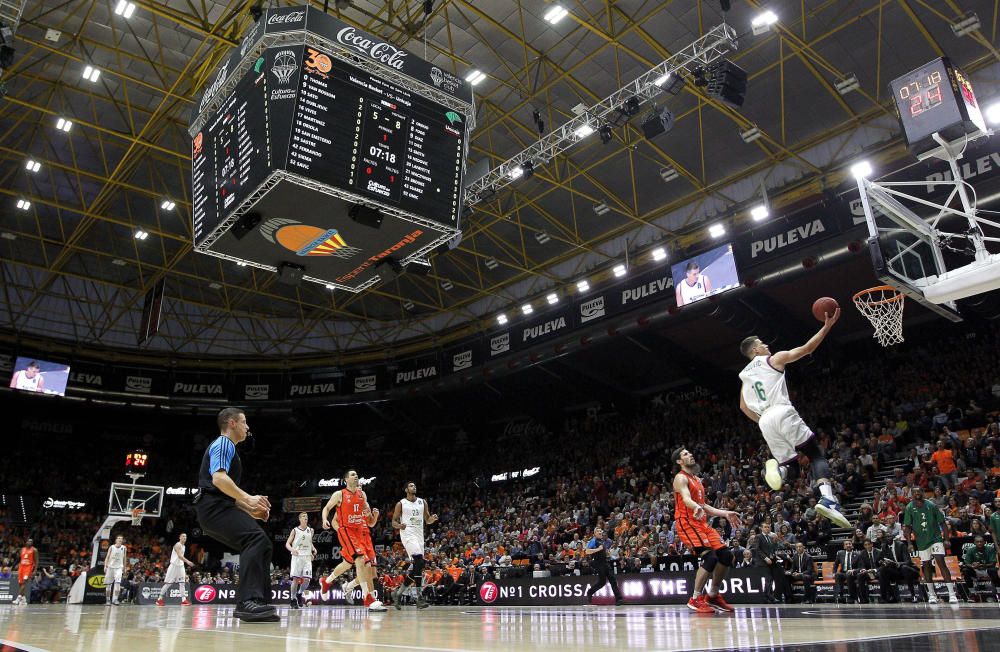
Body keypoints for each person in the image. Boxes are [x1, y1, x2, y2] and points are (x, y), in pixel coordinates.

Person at [737, 310, 851, 528]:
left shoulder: (744, 375)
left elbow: (743, 406)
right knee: (815, 454)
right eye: (762, 343)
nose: (767, 345)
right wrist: (827, 326)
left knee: (793, 469)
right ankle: (828, 499)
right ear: (755, 350)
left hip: (764, 421)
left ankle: (779, 470)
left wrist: (763, 420)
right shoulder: (772, 359)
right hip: (781, 410)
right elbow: (807, 349)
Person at [194, 407, 277, 622]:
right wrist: (249, 499)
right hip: (211, 507)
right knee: (255, 538)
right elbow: (218, 480)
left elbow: (226, 494)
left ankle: (260, 602)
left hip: (218, 506)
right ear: (232, 423)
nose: (248, 427)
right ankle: (247, 602)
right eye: (245, 422)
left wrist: (251, 510)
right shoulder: (223, 443)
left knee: (263, 543)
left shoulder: (230, 448)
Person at [671, 447, 741, 613]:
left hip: (701, 523)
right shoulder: (680, 478)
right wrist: (695, 506)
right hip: (687, 522)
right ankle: (695, 599)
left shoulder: (696, 479)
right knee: (710, 557)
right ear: (679, 461)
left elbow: (704, 506)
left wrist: (724, 513)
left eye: (690, 452)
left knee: (726, 555)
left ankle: (713, 595)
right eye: (686, 454)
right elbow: (686, 498)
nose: (690, 454)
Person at [318, 470, 387, 612]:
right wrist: (324, 519)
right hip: (346, 531)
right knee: (361, 560)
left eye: (357, 475)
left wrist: (372, 514)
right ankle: (367, 598)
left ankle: (326, 582)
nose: (356, 476)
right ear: (346, 480)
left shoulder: (363, 495)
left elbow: (369, 520)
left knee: (349, 563)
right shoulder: (340, 494)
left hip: (360, 533)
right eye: (352, 475)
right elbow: (327, 508)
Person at [902, 486, 958, 603]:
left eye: (919, 491)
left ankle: (952, 594)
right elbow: (907, 527)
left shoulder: (931, 505)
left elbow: (942, 522)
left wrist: (946, 539)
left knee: (940, 561)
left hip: (935, 538)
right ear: (912, 494)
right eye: (915, 492)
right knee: (926, 565)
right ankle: (932, 595)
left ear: (923, 492)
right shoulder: (909, 508)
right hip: (921, 541)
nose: (917, 493)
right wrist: (909, 543)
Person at [390, 482, 439, 610]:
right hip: (407, 534)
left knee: (419, 566)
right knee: (418, 560)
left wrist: (432, 519)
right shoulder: (401, 503)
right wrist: (400, 526)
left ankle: (398, 593)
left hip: (419, 535)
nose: (414, 487)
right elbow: (394, 521)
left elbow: (427, 520)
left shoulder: (423, 502)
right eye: (411, 486)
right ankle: (419, 597)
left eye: (415, 486)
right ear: (406, 489)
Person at [583, 527, 623, 606]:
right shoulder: (593, 540)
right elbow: (587, 551)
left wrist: (606, 553)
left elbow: (602, 551)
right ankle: (590, 592)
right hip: (598, 563)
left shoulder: (602, 541)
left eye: (601, 531)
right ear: (594, 533)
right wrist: (598, 549)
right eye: (598, 531)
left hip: (605, 562)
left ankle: (619, 599)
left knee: (613, 580)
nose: (600, 532)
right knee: (602, 582)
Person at [285, 512, 317, 609]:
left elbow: (309, 542)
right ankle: (292, 599)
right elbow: (287, 544)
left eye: (306, 517)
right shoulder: (295, 530)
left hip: (307, 557)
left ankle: (299, 593)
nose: (305, 518)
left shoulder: (311, 530)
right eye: (303, 517)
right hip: (297, 557)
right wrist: (292, 550)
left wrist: (313, 549)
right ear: (300, 519)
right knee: (295, 579)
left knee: (307, 580)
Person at [879, 535, 922, 603]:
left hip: (910, 570)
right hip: (897, 571)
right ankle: (888, 597)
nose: (888, 538)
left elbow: (908, 561)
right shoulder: (884, 547)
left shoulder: (901, 545)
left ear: (892, 537)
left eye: (889, 536)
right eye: (886, 537)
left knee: (904, 568)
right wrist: (884, 563)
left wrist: (899, 563)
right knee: (883, 570)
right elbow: (884, 559)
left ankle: (913, 596)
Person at [156, 533, 194, 607]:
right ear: (179, 537)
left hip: (181, 566)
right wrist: (188, 561)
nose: (184, 538)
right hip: (174, 566)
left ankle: (183, 600)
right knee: (168, 584)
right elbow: (179, 556)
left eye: (185, 536)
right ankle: (159, 599)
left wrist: (184, 563)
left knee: (182, 583)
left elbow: (181, 558)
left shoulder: (184, 546)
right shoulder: (177, 545)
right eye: (183, 536)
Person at [833, 540, 862, 604]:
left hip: (853, 573)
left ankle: (852, 597)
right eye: (846, 544)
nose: (848, 545)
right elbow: (836, 564)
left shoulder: (858, 554)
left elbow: (861, 567)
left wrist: (854, 571)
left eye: (849, 544)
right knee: (837, 575)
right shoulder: (840, 553)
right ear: (844, 547)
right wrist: (834, 572)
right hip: (843, 572)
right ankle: (840, 596)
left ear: (852, 546)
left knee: (849, 575)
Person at [103, 535, 127, 606]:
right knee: (108, 585)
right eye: (119, 538)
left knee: (117, 584)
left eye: (121, 539)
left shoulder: (124, 548)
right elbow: (107, 557)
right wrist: (105, 566)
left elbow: (124, 558)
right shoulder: (111, 547)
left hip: (119, 568)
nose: (120, 540)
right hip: (110, 567)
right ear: (116, 540)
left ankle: (115, 599)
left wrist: (125, 568)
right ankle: (108, 600)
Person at [14, 537, 38, 605]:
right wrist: (16, 565)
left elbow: (36, 561)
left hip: (28, 568)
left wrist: (35, 570)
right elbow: (20, 559)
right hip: (21, 567)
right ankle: (24, 599)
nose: (30, 542)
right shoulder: (22, 549)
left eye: (31, 542)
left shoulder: (34, 550)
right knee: (20, 583)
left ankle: (18, 598)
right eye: (29, 541)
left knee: (24, 583)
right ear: (26, 542)